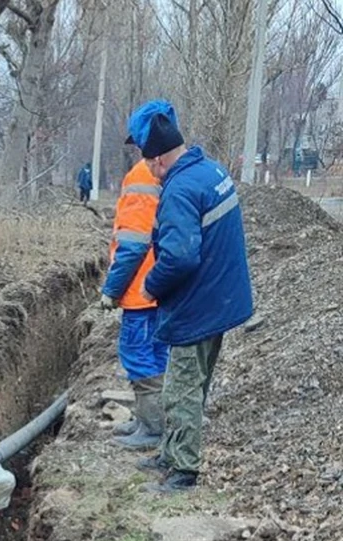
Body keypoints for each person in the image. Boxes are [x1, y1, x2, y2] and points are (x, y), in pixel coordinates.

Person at [125, 100, 254, 493]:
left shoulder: (180, 188)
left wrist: (150, 285)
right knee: (190, 384)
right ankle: (170, 451)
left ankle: (183, 472)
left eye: (145, 158)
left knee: (181, 388)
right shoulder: (209, 170)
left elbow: (180, 256)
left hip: (197, 306)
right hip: (221, 299)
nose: (145, 166)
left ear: (158, 157)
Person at [100, 150, 170, 452]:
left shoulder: (141, 176)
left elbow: (132, 245)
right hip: (159, 284)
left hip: (140, 290)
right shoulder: (164, 173)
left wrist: (112, 289)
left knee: (137, 353)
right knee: (156, 354)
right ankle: (149, 419)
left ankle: (152, 427)